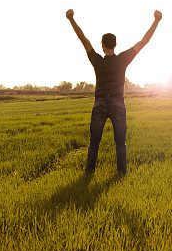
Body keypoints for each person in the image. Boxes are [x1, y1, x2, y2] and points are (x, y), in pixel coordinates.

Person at [66, 9, 162, 174]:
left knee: (94, 142)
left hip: (100, 103)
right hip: (118, 103)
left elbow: (83, 39)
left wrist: (71, 19)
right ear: (115, 44)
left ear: (102, 46)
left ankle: (89, 172)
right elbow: (143, 41)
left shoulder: (96, 60)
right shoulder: (123, 59)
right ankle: (121, 173)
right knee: (120, 142)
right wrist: (156, 20)